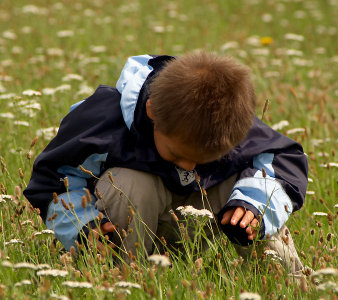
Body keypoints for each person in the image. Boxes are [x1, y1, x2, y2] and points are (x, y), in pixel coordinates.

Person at [23, 52, 308, 275]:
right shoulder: (102, 120)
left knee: (257, 195)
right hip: (132, 229)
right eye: (177, 154)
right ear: (151, 112)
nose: (188, 166)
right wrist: (81, 227)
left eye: (202, 160)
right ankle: (123, 278)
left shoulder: (228, 121)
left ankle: (288, 284)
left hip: (206, 221)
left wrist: (253, 206)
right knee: (130, 181)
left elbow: (284, 161)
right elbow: (54, 180)